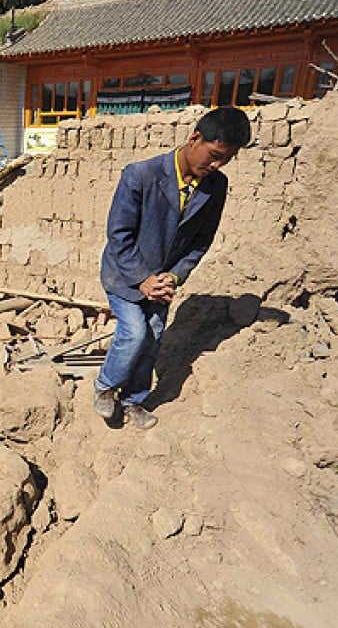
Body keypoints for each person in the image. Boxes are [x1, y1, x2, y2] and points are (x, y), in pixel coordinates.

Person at [93, 106, 251, 429]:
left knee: (152, 337)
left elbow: (200, 242)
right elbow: (119, 237)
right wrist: (142, 279)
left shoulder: (215, 187)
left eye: (226, 160)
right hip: (124, 274)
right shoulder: (140, 175)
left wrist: (175, 276)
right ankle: (105, 386)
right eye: (214, 155)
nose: (217, 165)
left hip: (163, 281)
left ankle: (134, 400)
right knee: (134, 332)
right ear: (195, 138)